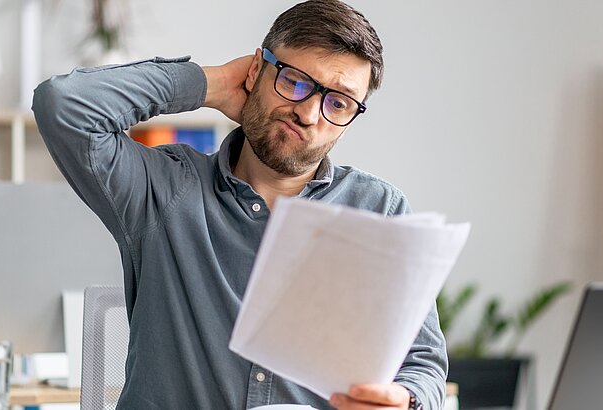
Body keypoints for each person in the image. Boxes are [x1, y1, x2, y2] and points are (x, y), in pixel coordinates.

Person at [32, 1, 446, 409]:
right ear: (256, 71)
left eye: (338, 103)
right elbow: (64, 105)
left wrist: (405, 400)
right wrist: (208, 85)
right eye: (296, 81)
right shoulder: (163, 189)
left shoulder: (378, 209)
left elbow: (422, 361)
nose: (308, 114)